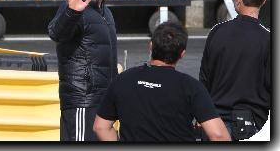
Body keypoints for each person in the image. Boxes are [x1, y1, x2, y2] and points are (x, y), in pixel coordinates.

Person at [93, 22, 231, 142]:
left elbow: (101, 127)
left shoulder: (123, 80)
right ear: (182, 54)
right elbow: (218, 135)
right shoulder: (190, 87)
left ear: (151, 46)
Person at [48, 0, 118, 141]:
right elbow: (56, 34)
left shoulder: (106, 13)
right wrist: (71, 13)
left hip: (103, 101)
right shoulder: (74, 8)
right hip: (82, 100)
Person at [199, 0, 270, 141]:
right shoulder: (268, 40)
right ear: (264, 1)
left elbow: (204, 79)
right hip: (251, 125)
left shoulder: (217, 32)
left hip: (214, 122)